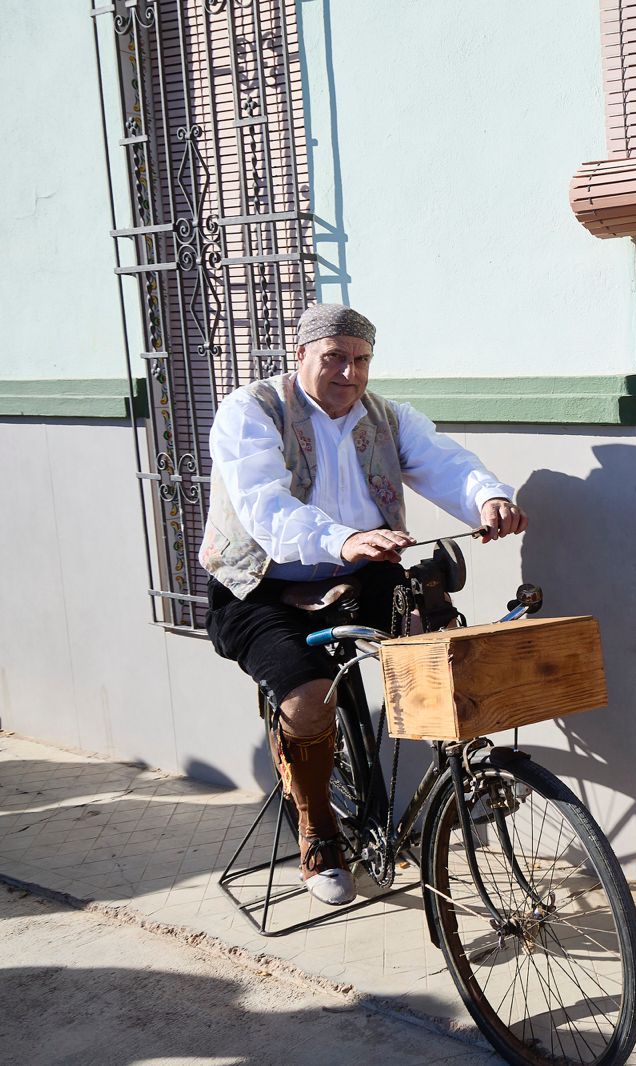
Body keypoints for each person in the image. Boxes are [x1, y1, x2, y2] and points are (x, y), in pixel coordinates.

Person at [201, 303, 527, 906]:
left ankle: (459, 775)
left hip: (360, 570)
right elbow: (262, 505)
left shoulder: (386, 417)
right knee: (305, 701)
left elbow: (445, 462)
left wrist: (488, 499)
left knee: (441, 648)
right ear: (301, 355)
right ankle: (319, 829)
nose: (349, 373)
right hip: (263, 582)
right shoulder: (252, 411)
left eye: (361, 360)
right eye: (334, 358)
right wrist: (339, 537)